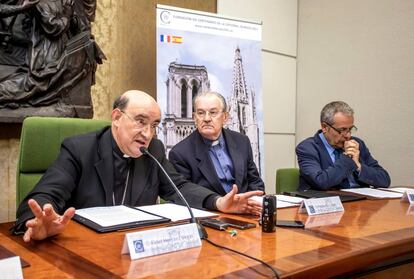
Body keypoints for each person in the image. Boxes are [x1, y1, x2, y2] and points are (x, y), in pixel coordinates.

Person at [14, 90, 263, 242]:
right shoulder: (80, 149)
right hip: (89, 251)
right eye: (141, 122)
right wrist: (37, 224)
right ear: (116, 118)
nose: (148, 133)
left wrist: (218, 202)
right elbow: (41, 198)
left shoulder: (153, 151)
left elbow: (179, 187)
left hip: (137, 249)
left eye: (154, 125)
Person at [169, 91, 264, 196]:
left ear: (225, 117)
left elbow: (255, 182)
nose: (206, 119)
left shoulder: (242, 141)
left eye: (213, 112)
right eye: (201, 113)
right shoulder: (180, 153)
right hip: (211, 210)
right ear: (194, 117)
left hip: (247, 208)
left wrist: (252, 202)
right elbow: (185, 194)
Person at [296, 101, 391, 191]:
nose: (348, 135)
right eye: (342, 130)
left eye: (350, 129)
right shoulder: (307, 148)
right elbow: (321, 181)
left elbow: (385, 180)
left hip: (360, 204)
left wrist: (358, 166)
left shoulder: (357, 144)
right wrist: (347, 158)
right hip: (329, 204)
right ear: (324, 127)